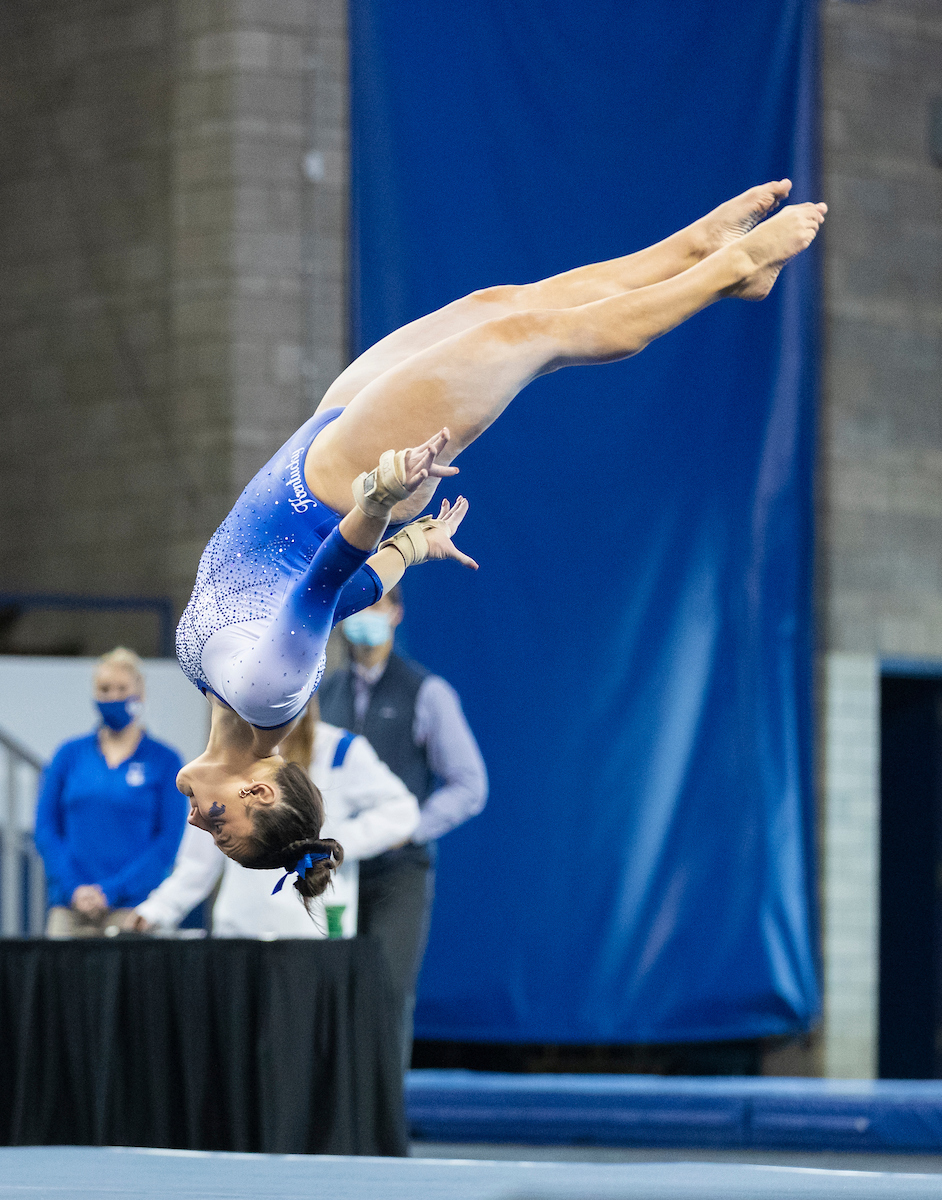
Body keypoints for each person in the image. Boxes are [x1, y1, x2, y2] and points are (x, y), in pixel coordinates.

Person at [173, 182, 827, 896]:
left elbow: (334, 601)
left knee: (497, 309)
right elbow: (322, 581)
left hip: (321, 452)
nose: (199, 822)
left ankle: (688, 252)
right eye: (221, 826)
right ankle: (725, 272)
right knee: (531, 340)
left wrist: (412, 547)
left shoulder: (229, 695)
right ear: (261, 794)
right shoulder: (267, 699)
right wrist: (379, 503)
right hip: (342, 479)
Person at [317, 583, 487, 1064]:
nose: (365, 615)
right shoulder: (324, 693)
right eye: (357, 605)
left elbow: (469, 785)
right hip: (334, 875)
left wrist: (407, 830)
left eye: (376, 604)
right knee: (331, 995)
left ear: (396, 614)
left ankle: (382, 1125)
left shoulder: (426, 692)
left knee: (387, 996)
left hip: (397, 874)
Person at [125, 706, 419, 937]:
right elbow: (199, 861)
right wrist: (157, 910)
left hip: (313, 933)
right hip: (239, 928)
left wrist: (328, 843)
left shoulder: (341, 751)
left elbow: (402, 812)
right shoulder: (228, 760)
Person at [34, 647, 186, 937]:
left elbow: (167, 842)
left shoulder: (164, 761)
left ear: (139, 693)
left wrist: (112, 891)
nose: (113, 697)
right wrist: (75, 888)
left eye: (122, 688)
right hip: (70, 909)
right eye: (104, 689)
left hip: (133, 911)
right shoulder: (69, 755)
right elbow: (46, 830)